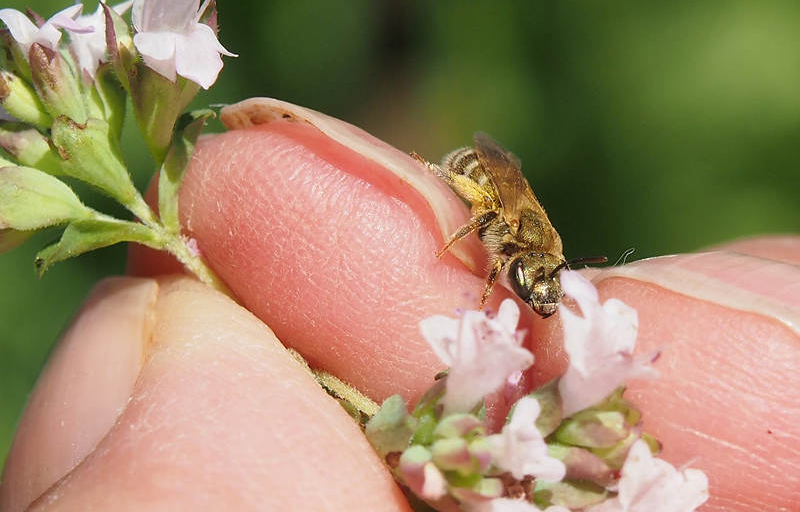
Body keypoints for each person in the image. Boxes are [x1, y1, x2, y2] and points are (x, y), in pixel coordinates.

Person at [2, 114, 798, 511]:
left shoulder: (538, 258)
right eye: (530, 280)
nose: (532, 293)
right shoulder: (506, 234)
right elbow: (492, 212)